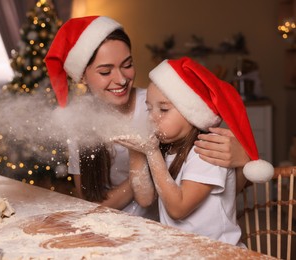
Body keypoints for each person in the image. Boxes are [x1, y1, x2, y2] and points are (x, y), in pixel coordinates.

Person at [45, 16, 251, 220]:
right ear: (82, 76)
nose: (121, 79)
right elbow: (89, 204)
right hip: (110, 226)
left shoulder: (162, 103)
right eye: (106, 71)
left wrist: (243, 157)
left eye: (127, 65)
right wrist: (143, 166)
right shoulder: (78, 122)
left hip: (163, 230)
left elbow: (222, 180)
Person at [113, 57, 273, 245]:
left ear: (191, 113)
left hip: (218, 253)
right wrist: (137, 151)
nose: (152, 118)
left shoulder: (206, 150)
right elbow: (144, 197)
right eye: (149, 109)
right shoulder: (166, 147)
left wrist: (151, 153)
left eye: (163, 109)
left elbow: (178, 208)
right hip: (182, 250)